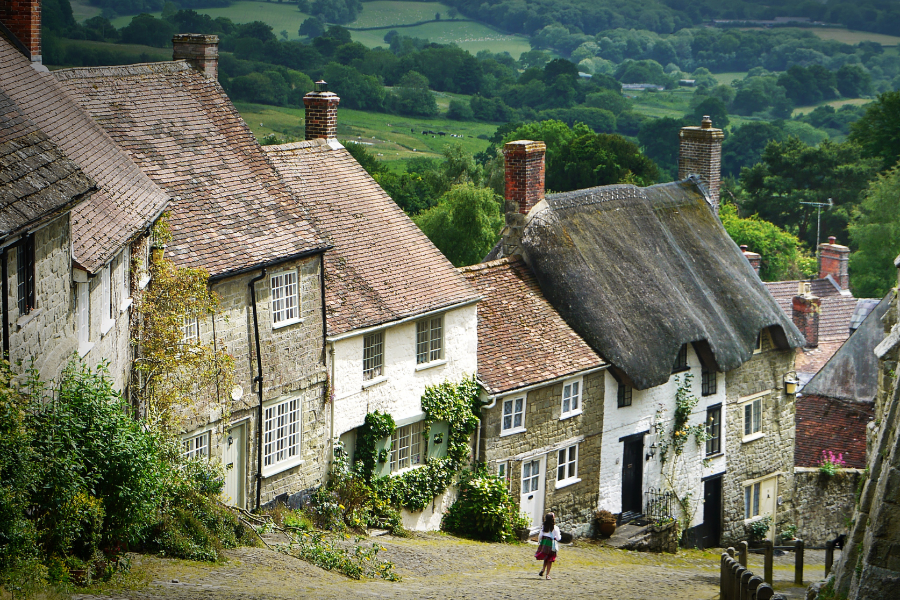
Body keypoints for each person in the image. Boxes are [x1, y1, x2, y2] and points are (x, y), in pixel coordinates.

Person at [535, 512, 561, 580]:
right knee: (550, 559)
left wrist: (539, 541)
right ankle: (547, 575)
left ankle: (543, 570)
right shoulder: (555, 528)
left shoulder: (544, 526)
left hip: (544, 543)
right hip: (551, 544)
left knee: (546, 557)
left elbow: (540, 535)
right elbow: (558, 538)